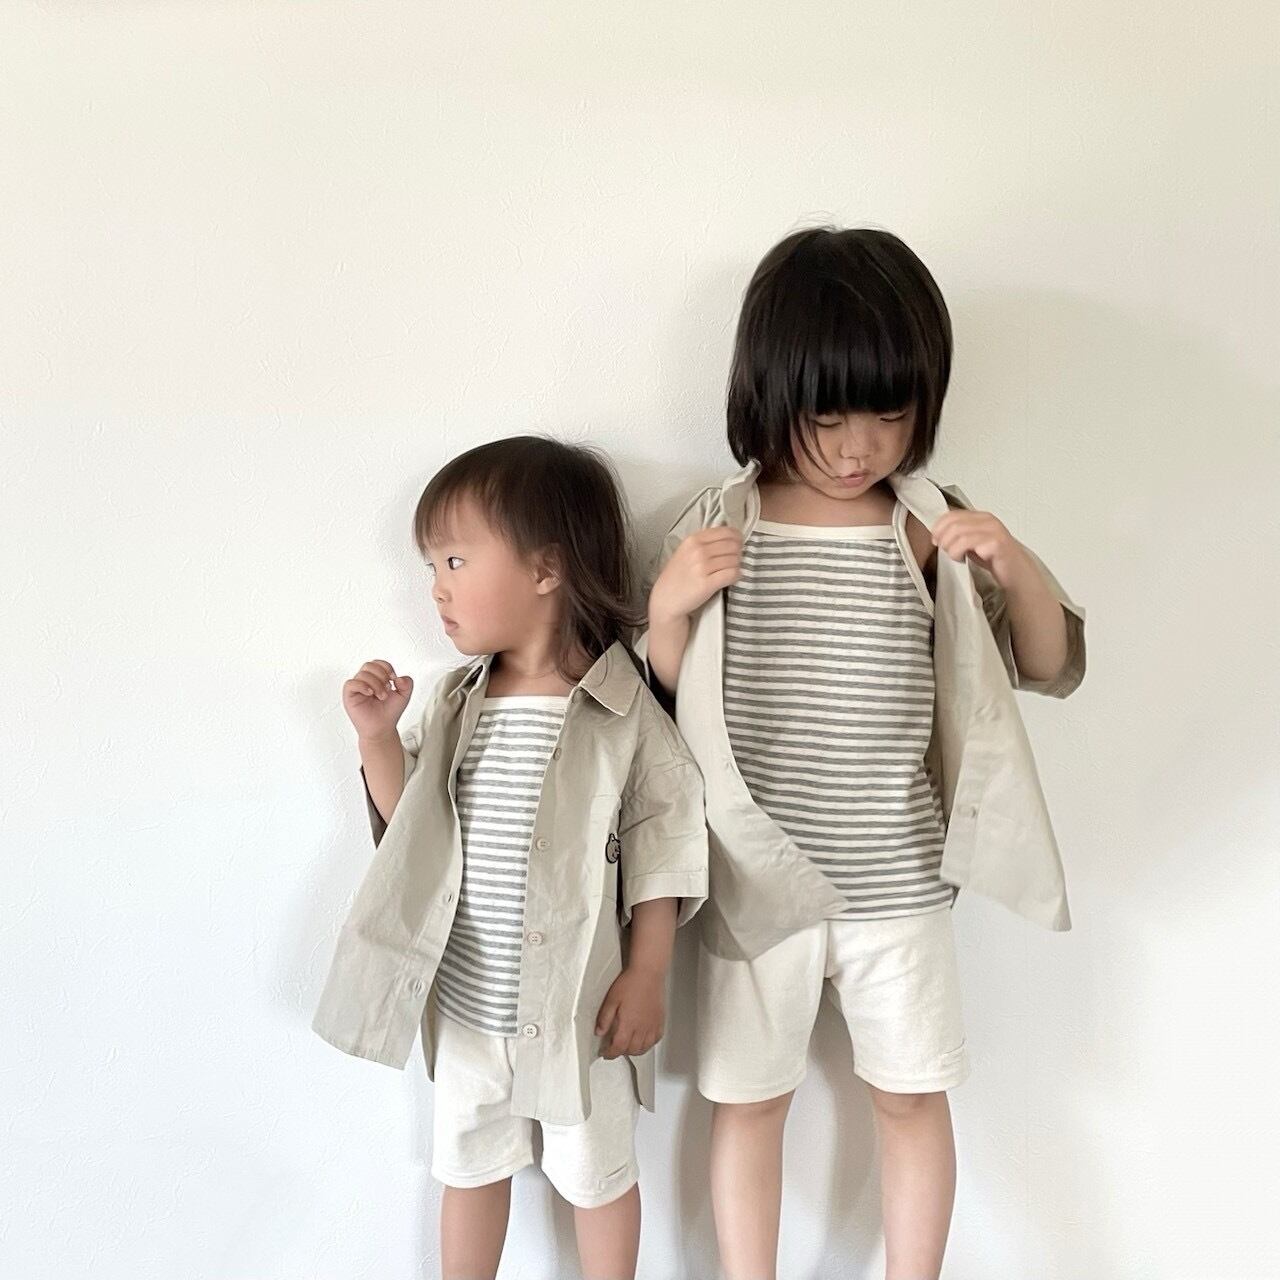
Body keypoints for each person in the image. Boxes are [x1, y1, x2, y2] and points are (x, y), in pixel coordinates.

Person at [642, 226, 1087, 1280]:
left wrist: (1012, 563)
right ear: (768, 395)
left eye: (888, 415)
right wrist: (665, 608)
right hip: (756, 885)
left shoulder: (927, 527)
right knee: (749, 1102)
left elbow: (1046, 662)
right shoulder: (720, 524)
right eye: (827, 417)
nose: (858, 448)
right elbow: (662, 706)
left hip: (899, 878)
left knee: (910, 1094)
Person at [314, 435, 708, 1280]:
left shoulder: (623, 711)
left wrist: (648, 973)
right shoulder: (456, 706)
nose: (437, 587)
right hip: (467, 1005)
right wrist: (378, 739)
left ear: (546, 569)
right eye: (431, 566)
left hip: (579, 1011)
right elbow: (411, 828)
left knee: (598, 1176)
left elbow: (665, 847)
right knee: (468, 1169)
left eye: (456, 560)